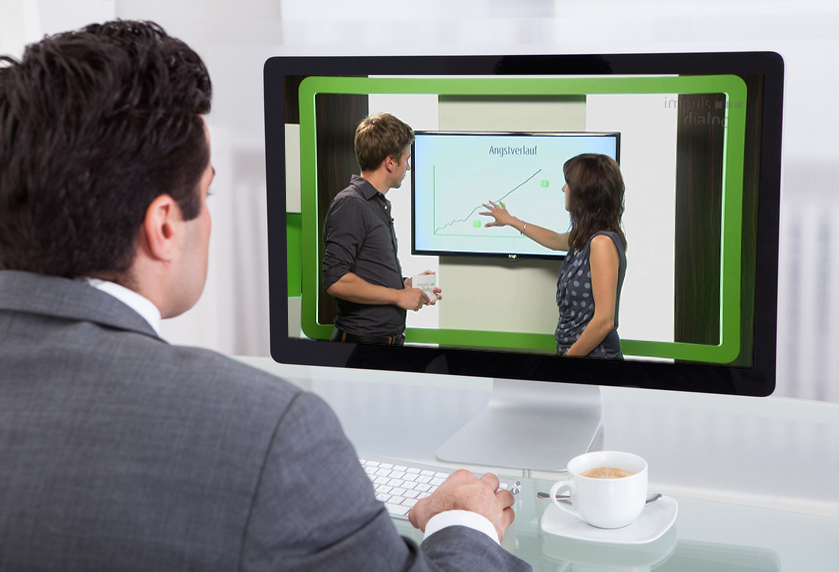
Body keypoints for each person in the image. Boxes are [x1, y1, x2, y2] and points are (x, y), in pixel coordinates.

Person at [0, 21, 529, 571]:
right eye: (206, 192)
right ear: (164, 227)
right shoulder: (270, 431)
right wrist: (465, 523)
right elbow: (336, 278)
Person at [481, 153, 627, 358]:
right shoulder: (585, 237)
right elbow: (553, 239)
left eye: (568, 184)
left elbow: (604, 321)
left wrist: (565, 363)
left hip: (594, 362)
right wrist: (512, 221)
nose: (563, 189)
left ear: (585, 193)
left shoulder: (601, 243)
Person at [322, 113, 442, 346]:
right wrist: (398, 296)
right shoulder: (351, 204)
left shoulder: (376, 204)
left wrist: (406, 285)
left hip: (381, 345)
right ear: (390, 162)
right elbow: (335, 280)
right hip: (361, 345)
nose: (408, 166)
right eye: (406, 159)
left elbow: (368, 270)